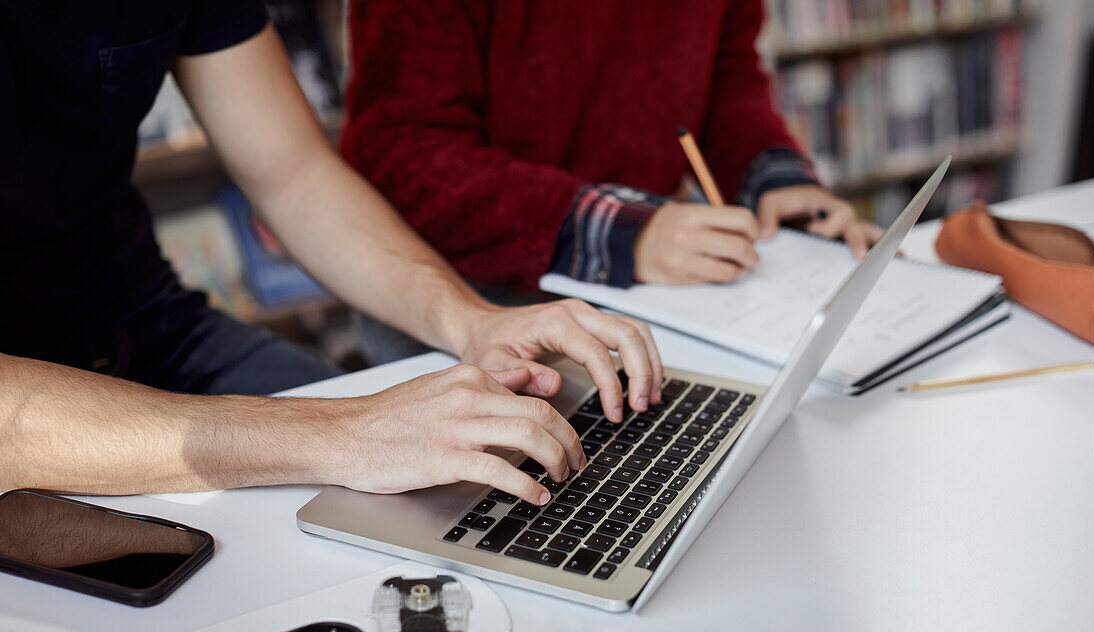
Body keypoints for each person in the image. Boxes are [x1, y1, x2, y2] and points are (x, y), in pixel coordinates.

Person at [0, 2, 665, 506]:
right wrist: (345, 432)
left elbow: (292, 172)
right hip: (24, 401)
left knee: (449, 503)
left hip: (140, 322)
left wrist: (474, 321)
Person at [341, 0, 883, 292]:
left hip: (644, 273)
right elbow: (400, 149)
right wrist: (620, 231)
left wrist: (774, 178)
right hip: (460, 300)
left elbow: (723, 76)